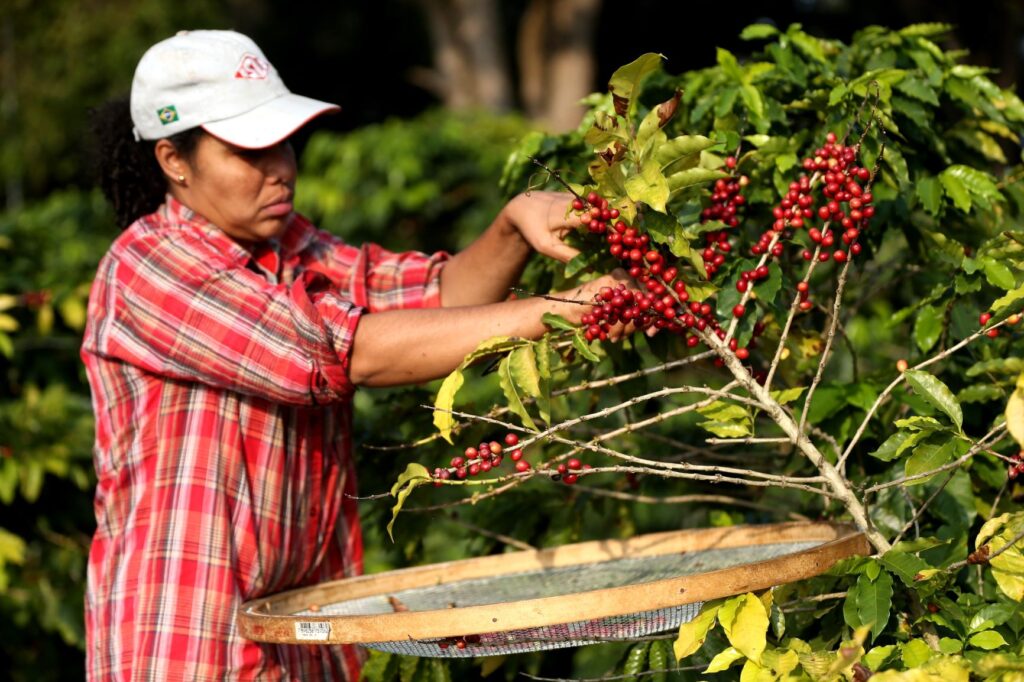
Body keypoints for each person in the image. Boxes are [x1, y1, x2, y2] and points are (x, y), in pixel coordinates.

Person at [83, 29, 625, 680]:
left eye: (284, 143)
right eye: (250, 151)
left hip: (305, 641)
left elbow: (438, 298)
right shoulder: (150, 268)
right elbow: (347, 352)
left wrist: (515, 225)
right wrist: (564, 309)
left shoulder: (295, 249)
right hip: (190, 643)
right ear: (174, 159)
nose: (281, 167)